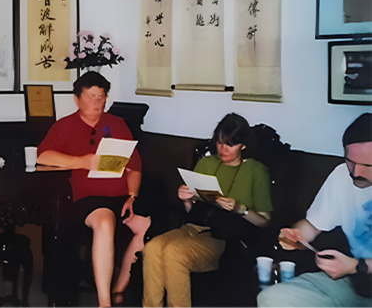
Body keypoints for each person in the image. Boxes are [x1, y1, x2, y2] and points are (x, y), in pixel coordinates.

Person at [36, 72, 148, 307]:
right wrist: (81, 162)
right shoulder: (65, 125)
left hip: (121, 197)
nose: (97, 103)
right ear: (77, 99)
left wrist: (132, 196)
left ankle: (119, 288)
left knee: (148, 225)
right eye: (91, 97)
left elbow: (134, 167)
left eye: (101, 97)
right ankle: (104, 302)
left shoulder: (117, 124)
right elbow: (43, 156)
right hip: (87, 200)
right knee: (105, 223)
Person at [143, 113, 273, 307]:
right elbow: (192, 211)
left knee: (173, 252)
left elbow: (265, 221)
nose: (223, 149)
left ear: (243, 145)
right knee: (152, 247)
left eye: (230, 144)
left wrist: (241, 209)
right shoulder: (207, 162)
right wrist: (187, 200)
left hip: (225, 237)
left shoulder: (256, 171)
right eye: (220, 143)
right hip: (195, 227)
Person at [257, 113, 372, 307]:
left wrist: (356, 266)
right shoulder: (341, 175)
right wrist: (297, 235)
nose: (355, 172)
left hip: (357, 270)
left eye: (368, 165)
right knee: (271, 298)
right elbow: (313, 225)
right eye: (350, 161)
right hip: (353, 282)